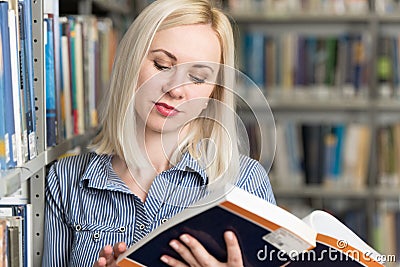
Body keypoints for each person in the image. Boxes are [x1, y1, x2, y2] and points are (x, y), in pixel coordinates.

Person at [42, 0, 276, 266]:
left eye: (198, 77)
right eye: (163, 65)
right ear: (130, 64)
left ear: (214, 92)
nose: (176, 90)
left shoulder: (246, 181)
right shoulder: (66, 181)